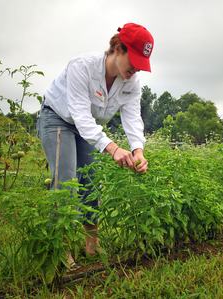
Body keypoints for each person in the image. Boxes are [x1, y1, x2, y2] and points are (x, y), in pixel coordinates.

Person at [37, 23, 154, 257]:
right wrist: (112, 148)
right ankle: (60, 249)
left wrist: (137, 150)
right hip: (58, 118)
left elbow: (132, 117)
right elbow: (79, 114)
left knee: (90, 182)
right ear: (118, 48)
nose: (136, 70)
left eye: (142, 65)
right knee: (66, 182)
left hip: (87, 126)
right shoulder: (82, 66)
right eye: (134, 62)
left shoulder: (131, 81)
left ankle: (92, 246)